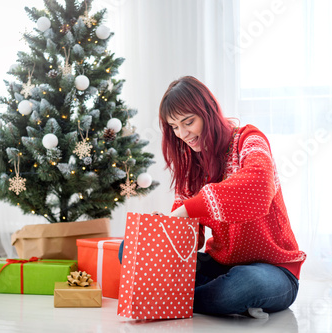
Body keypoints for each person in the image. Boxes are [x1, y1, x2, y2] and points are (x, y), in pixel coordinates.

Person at [119, 76, 306, 319]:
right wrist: (165, 229)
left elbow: (258, 185)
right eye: (174, 127)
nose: (183, 134)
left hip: (275, 271)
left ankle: (173, 298)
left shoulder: (249, 139)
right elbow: (189, 240)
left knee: (242, 284)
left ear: (208, 112)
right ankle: (212, 300)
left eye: (188, 122)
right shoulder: (191, 167)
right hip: (220, 267)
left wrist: (188, 208)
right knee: (132, 247)